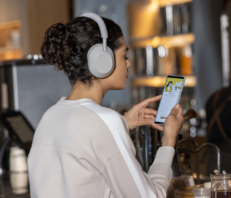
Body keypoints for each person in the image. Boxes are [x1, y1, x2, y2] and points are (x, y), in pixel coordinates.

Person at [28, 13, 184, 198]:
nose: (128, 63)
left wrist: (123, 123)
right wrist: (168, 141)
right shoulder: (106, 122)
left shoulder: (50, 116)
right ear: (102, 60)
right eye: (124, 55)